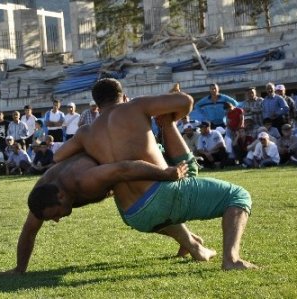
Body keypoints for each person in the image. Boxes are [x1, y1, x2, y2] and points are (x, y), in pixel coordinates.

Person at [53, 78, 256, 270]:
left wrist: (94, 152)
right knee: (238, 196)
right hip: (162, 195)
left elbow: (58, 156)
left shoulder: (85, 133)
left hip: (133, 215)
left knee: (186, 172)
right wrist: (160, 112)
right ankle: (231, 259)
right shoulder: (134, 106)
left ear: (96, 104)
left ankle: (192, 245)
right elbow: (186, 101)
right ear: (123, 97)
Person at [0, 153, 191, 275]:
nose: (56, 220)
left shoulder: (81, 178)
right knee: (137, 216)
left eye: (55, 214)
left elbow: (124, 168)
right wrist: (19, 269)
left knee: (138, 214)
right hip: (107, 179)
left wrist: (167, 174)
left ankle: (189, 241)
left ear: (60, 195)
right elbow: (29, 231)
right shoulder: (43, 197)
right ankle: (188, 241)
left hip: (123, 168)